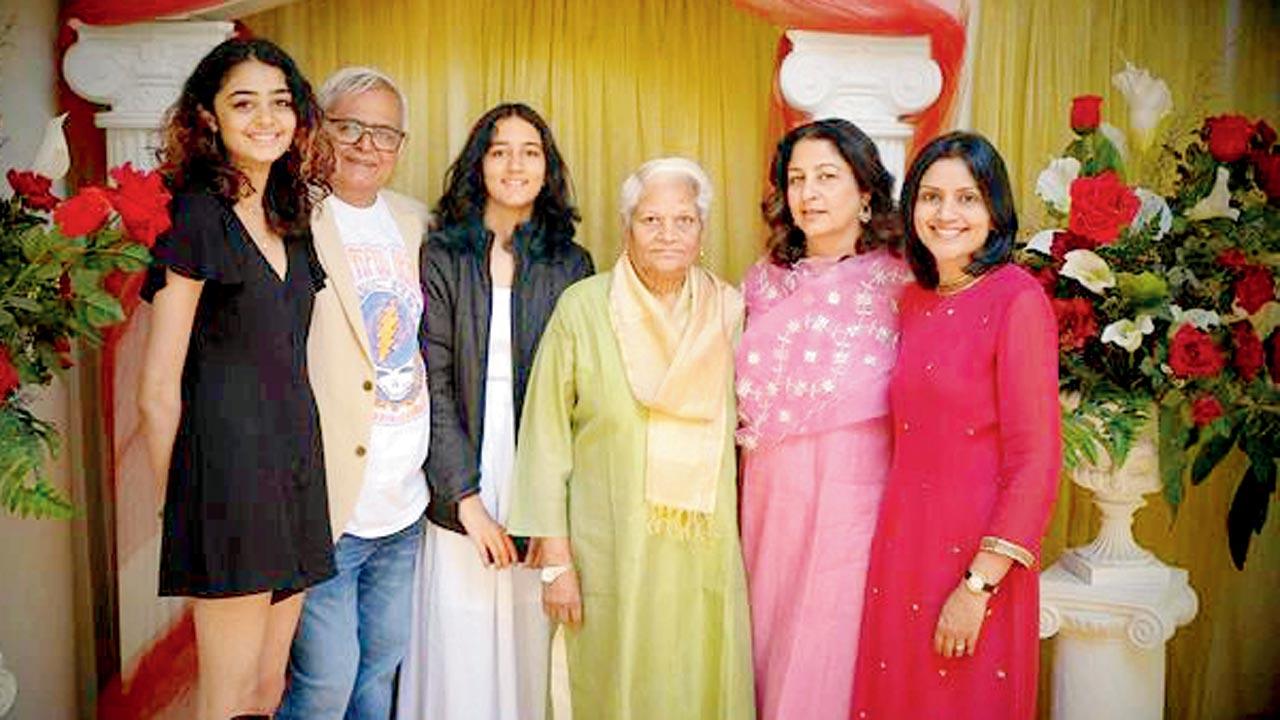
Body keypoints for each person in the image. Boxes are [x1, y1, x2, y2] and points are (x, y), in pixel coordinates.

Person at [505, 157, 755, 719]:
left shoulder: (730, 311)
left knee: (698, 680)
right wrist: (555, 563)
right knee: (609, 684)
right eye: (651, 220)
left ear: (702, 229)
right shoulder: (584, 308)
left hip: (701, 552)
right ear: (627, 226)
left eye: (683, 220)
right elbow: (545, 439)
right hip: (608, 553)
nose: (668, 234)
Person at [137, 38, 334, 720]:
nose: (266, 118)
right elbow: (158, 389)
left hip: (298, 471)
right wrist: (181, 507)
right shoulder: (194, 215)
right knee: (223, 698)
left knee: (266, 689)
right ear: (208, 118)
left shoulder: (291, 213)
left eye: (280, 102)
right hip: (226, 482)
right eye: (243, 102)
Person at [851, 131, 1061, 720]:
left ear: (995, 209)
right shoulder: (915, 301)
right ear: (911, 206)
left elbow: (1036, 460)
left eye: (967, 198)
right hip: (903, 547)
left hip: (976, 557)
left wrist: (977, 587)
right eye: (932, 196)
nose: (947, 214)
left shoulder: (1016, 300)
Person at [396, 103, 593, 720]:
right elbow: (435, 381)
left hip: (540, 478)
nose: (515, 163)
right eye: (499, 149)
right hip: (458, 476)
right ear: (478, 163)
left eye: (530, 150)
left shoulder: (572, 263)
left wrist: (551, 511)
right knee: (461, 640)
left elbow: (577, 399)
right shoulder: (442, 256)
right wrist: (465, 499)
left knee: (532, 647)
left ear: (548, 166)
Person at [735, 118, 911, 720]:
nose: (808, 193)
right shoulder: (762, 283)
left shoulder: (902, 282)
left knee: (835, 641)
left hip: (856, 494)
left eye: (827, 178)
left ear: (865, 192)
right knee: (769, 634)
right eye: (797, 179)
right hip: (770, 495)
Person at [276, 67, 431, 720]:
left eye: (385, 134)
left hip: (404, 505)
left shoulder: (415, 220)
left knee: (380, 675)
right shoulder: (289, 221)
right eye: (351, 128)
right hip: (331, 504)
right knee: (324, 685)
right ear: (319, 130)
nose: (369, 146)